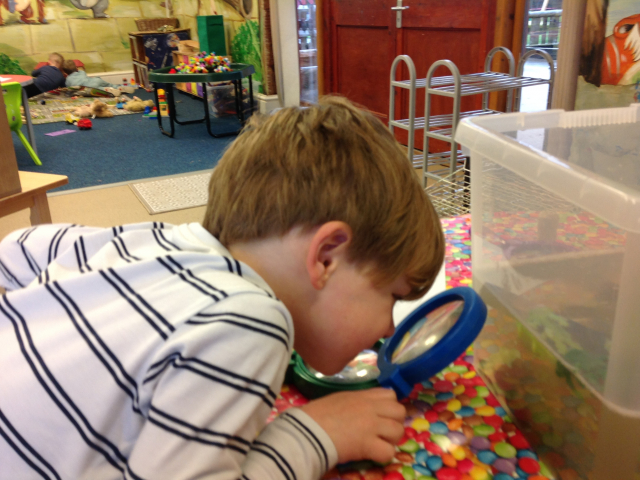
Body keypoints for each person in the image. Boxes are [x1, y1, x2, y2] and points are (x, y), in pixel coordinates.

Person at [0, 96, 445, 480]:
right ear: (326, 256)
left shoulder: (155, 238)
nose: (389, 330)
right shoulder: (249, 320)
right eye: (393, 296)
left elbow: (17, 247)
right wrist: (316, 434)